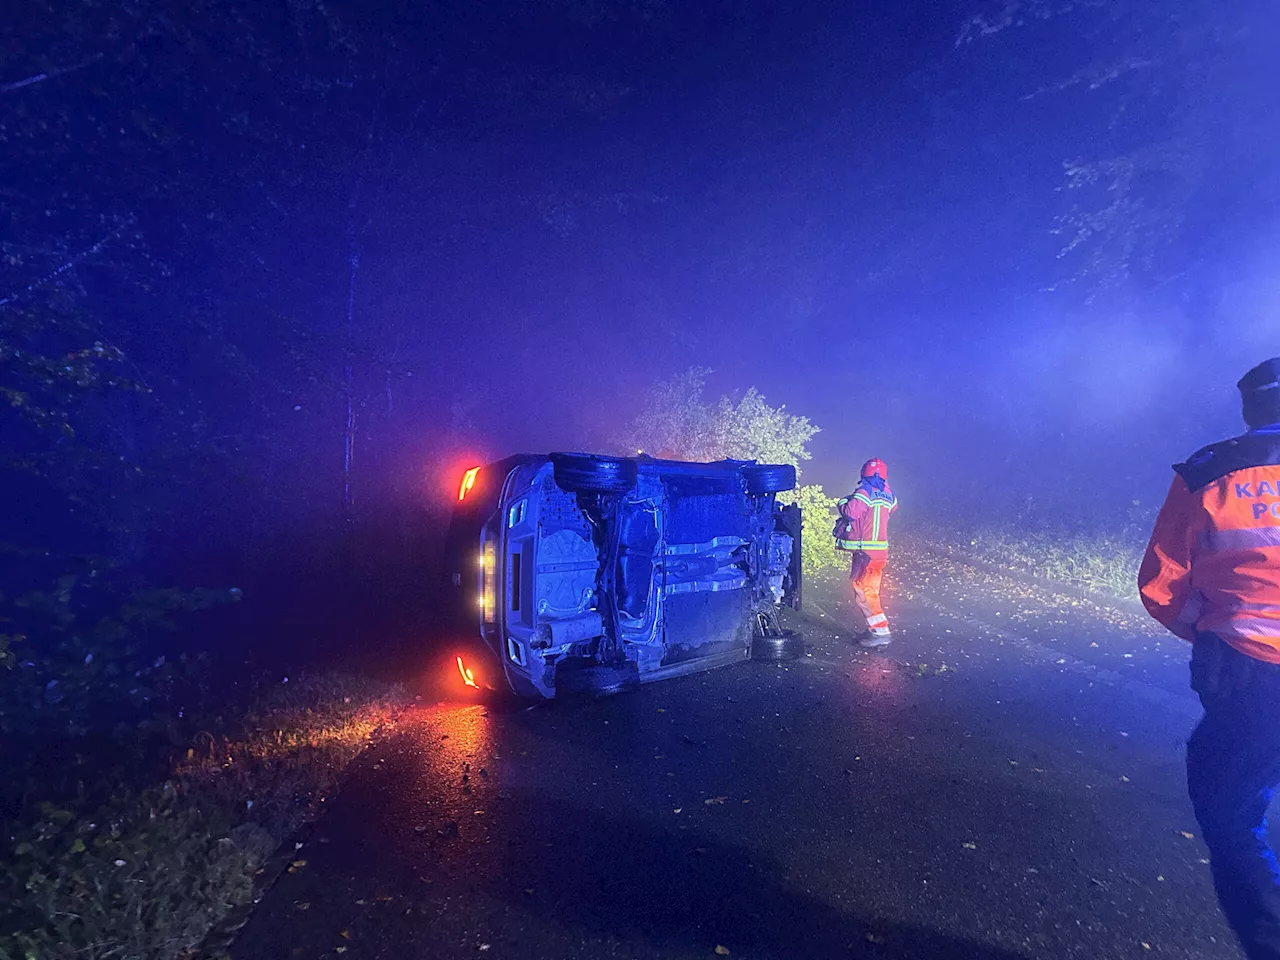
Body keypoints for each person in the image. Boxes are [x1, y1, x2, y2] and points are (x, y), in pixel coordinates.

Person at [1139, 357, 1280, 960]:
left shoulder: (1210, 472)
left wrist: (1213, 635)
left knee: (1231, 809)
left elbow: (1162, 586)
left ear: (1248, 409)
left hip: (1249, 672)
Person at [835, 458, 899, 648]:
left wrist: (843, 501)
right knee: (871, 590)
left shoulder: (865, 492)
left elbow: (851, 512)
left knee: (864, 592)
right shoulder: (889, 494)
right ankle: (874, 629)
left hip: (866, 553)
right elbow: (893, 508)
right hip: (879, 553)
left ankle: (881, 631)